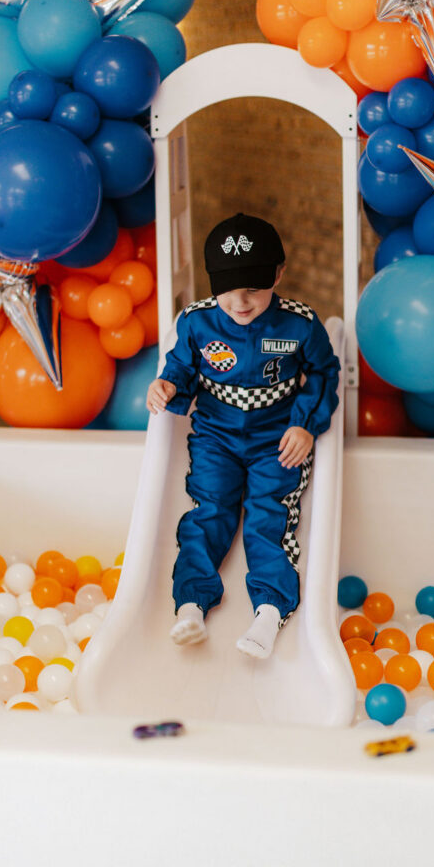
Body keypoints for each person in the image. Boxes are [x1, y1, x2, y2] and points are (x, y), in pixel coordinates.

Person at [146, 212, 340, 659]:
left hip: (276, 439)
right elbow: (180, 366)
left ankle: (270, 609)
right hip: (216, 436)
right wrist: (168, 385)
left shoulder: (299, 324)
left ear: (278, 274)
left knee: (267, 515)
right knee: (210, 509)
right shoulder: (197, 322)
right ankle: (191, 603)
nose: (240, 301)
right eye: (228, 288)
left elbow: (324, 373)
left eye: (253, 287)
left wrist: (304, 424)